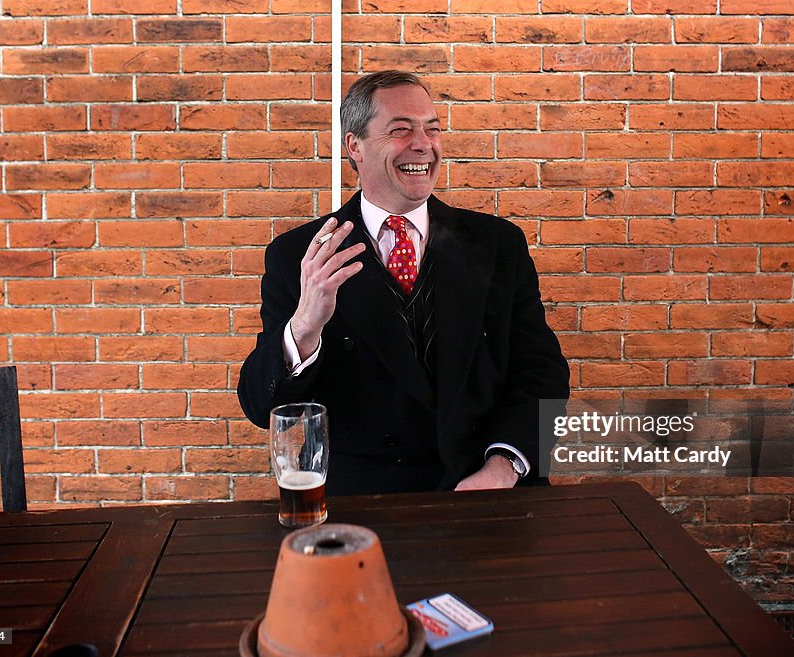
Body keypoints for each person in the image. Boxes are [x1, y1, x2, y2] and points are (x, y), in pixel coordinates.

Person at [237, 70, 569, 495]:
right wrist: (304, 326)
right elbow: (260, 405)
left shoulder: (498, 245)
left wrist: (505, 466)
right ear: (353, 146)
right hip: (365, 505)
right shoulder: (297, 254)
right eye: (401, 130)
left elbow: (542, 372)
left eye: (432, 129)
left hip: (490, 490)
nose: (423, 144)